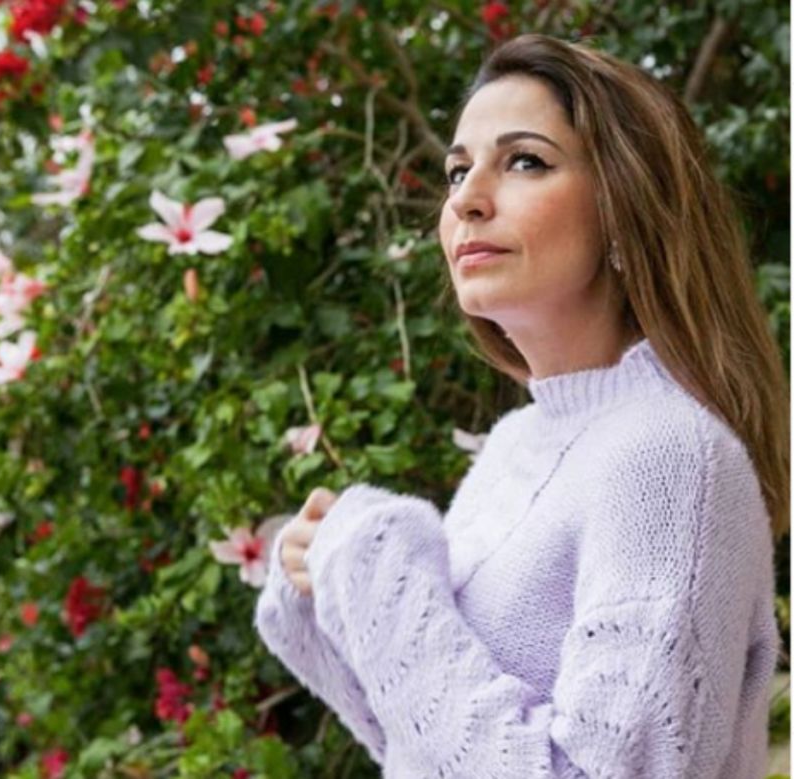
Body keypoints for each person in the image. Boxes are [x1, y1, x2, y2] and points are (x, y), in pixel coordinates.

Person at [254, 33, 788, 778]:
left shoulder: (669, 457)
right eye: (457, 170)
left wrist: (374, 564)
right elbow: (435, 749)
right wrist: (330, 581)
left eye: (525, 161)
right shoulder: (516, 443)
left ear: (625, 211)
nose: (466, 198)